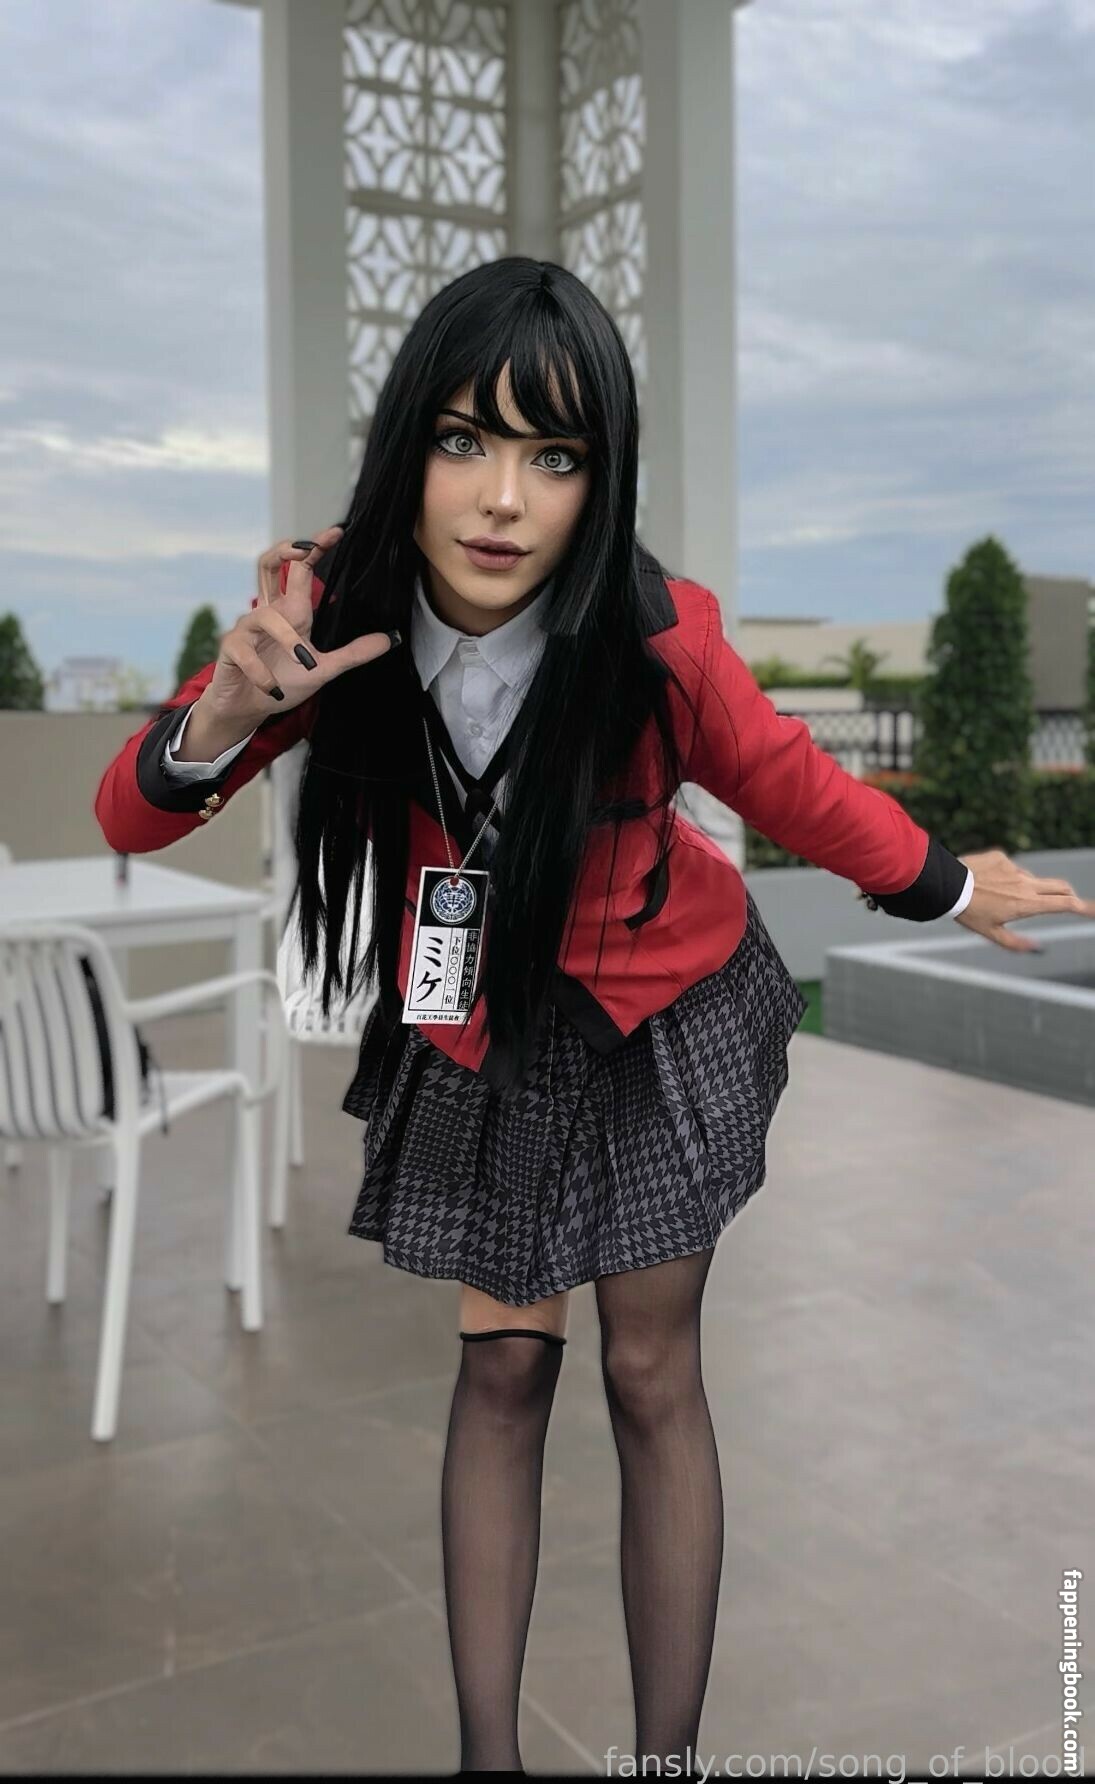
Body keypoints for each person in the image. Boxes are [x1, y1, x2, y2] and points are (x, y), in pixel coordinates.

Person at [93, 256, 1095, 1776]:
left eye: (553, 456)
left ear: (599, 476)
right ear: (408, 449)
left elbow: (789, 781)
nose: (502, 499)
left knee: (647, 1368)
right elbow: (135, 811)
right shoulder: (326, 612)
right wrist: (230, 712)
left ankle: (665, 1760)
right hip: (484, 1030)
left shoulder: (651, 633)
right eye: (463, 440)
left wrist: (950, 885)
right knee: (502, 1369)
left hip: (658, 1012)